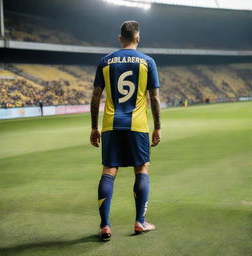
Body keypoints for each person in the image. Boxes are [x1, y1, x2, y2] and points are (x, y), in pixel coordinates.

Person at [90, 20, 161, 241]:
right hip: (137, 125)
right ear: (138, 38)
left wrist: (94, 127)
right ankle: (140, 222)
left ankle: (105, 226)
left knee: (108, 172)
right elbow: (154, 97)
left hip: (111, 124)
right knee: (141, 170)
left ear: (120, 38)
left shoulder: (105, 61)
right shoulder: (147, 62)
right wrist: (157, 127)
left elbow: (95, 97)